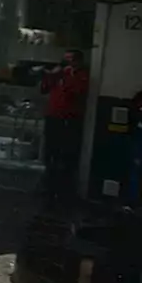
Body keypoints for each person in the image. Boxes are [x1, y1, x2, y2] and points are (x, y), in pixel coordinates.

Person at [40, 49, 90, 196]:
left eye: (70, 60)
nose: (66, 63)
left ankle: (64, 187)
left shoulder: (81, 75)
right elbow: (44, 89)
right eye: (65, 59)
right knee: (50, 150)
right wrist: (51, 75)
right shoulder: (59, 74)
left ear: (78, 61)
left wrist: (66, 75)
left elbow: (76, 92)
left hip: (69, 119)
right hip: (53, 116)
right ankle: (48, 181)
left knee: (66, 154)